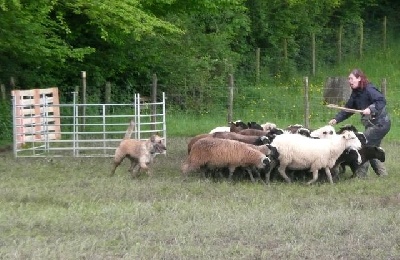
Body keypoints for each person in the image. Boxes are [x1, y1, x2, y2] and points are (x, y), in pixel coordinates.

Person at [328, 68, 391, 177]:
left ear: (359, 78)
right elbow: (348, 109)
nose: (349, 81)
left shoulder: (369, 89)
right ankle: (383, 174)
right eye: (348, 79)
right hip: (372, 125)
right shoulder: (355, 93)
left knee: (363, 145)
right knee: (372, 148)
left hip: (380, 124)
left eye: (351, 78)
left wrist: (371, 109)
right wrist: (336, 119)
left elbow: (381, 100)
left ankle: (360, 175)